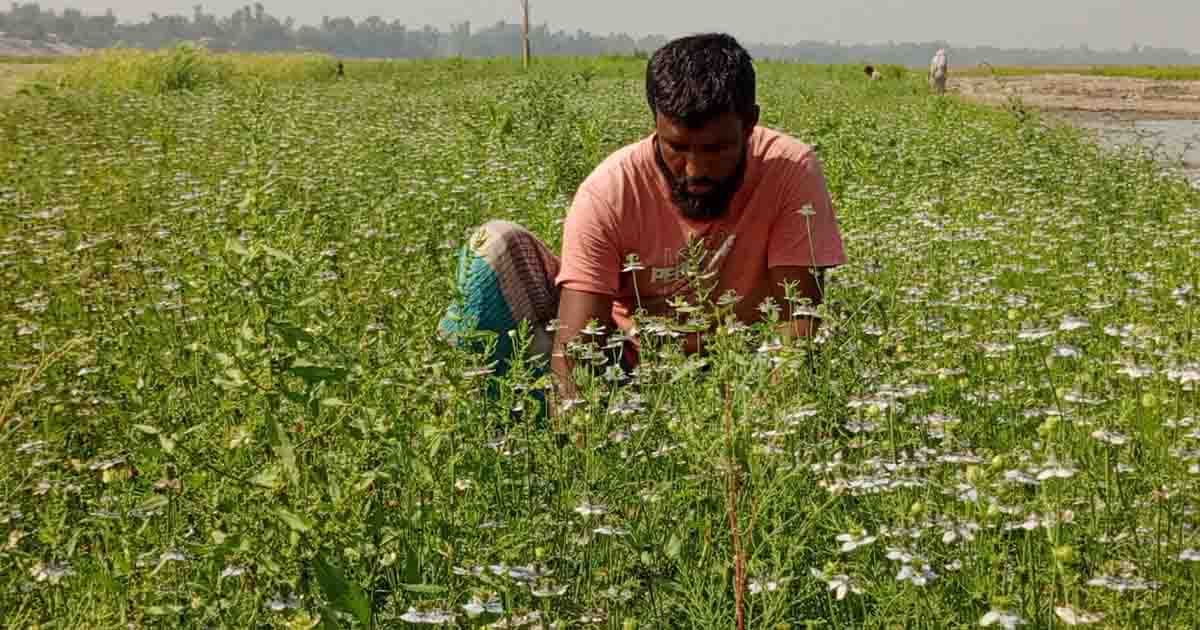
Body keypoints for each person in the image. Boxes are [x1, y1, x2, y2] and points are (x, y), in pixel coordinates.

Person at [439, 33, 847, 404]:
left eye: (716, 149)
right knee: (493, 247)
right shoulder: (609, 192)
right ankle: (505, 421)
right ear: (654, 123)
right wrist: (583, 451)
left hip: (743, 367)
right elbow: (578, 352)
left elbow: (797, 322)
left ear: (751, 124)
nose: (695, 170)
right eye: (677, 147)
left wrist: (762, 439)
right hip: (630, 366)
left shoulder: (790, 170)